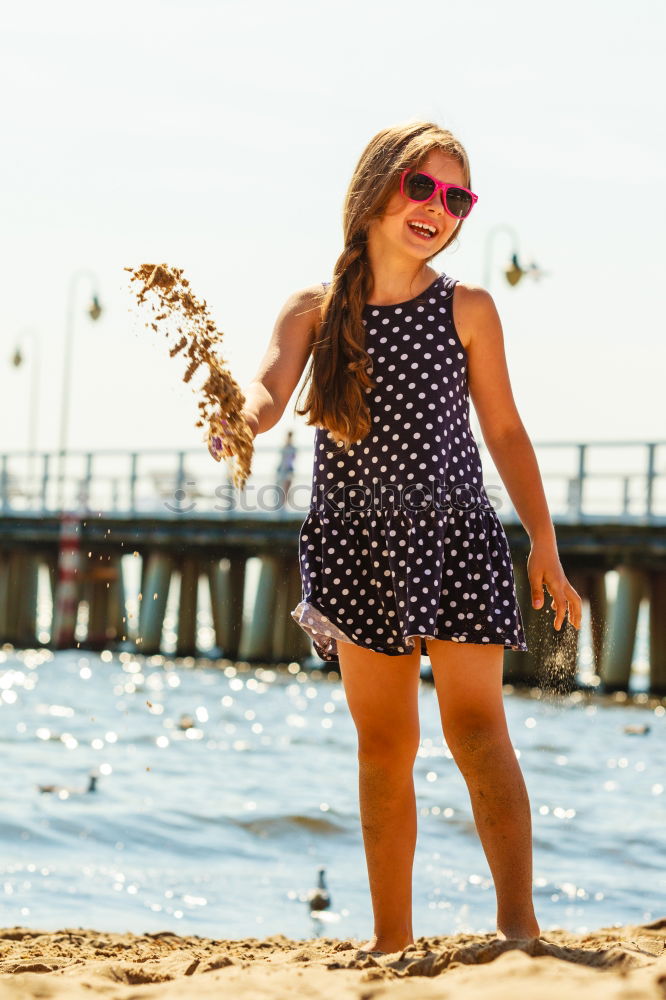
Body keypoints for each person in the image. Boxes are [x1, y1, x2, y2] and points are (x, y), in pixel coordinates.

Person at [209, 120, 582, 952]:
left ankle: (519, 932)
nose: (438, 208)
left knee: (477, 729)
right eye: (423, 187)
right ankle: (390, 941)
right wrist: (237, 419)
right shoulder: (314, 309)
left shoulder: (469, 308)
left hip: (453, 538)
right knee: (384, 744)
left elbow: (507, 433)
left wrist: (544, 545)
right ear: (377, 188)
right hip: (353, 547)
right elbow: (267, 395)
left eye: (457, 198)